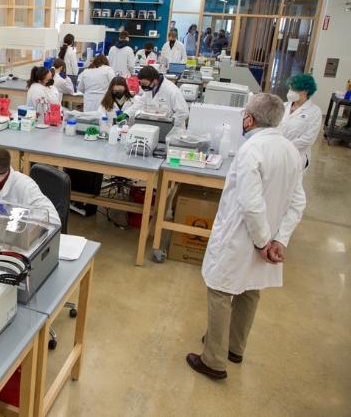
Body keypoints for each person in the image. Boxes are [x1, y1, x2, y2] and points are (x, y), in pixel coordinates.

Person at [186, 93, 306, 380]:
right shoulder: (290, 151)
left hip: (243, 237)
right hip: (267, 235)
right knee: (250, 291)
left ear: (249, 119)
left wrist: (263, 242)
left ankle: (214, 360)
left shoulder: (252, 150)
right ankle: (234, 347)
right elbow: (298, 201)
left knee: (219, 291)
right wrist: (280, 240)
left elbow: (250, 204)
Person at [279, 74, 323, 171]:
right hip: (277, 152)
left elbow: (308, 139)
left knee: (291, 184)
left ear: (306, 92)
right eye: (290, 88)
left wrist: (284, 147)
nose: (290, 92)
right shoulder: (284, 106)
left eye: (294, 90)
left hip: (297, 155)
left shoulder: (314, 112)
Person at [122, 65, 189, 127]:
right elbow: (141, 103)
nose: (143, 86)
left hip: (172, 129)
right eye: (141, 84)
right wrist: (127, 114)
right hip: (155, 125)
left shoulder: (171, 90)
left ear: (154, 80)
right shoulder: (150, 88)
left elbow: (183, 112)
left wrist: (169, 123)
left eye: (144, 84)